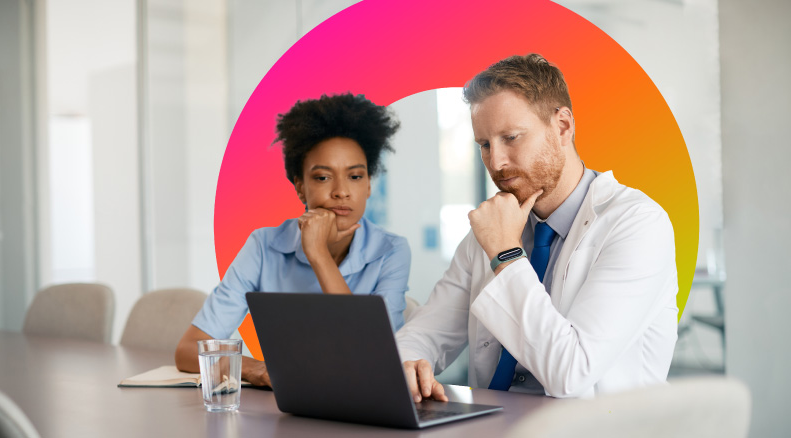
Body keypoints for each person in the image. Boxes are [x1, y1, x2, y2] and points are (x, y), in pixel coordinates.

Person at [396, 54, 678, 401]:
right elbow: (426, 331)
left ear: (562, 127)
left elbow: (570, 375)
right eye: (484, 145)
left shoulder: (637, 224)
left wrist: (505, 254)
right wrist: (409, 360)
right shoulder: (490, 230)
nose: (496, 162)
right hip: (493, 425)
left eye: (511, 137)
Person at [175, 93, 411, 387]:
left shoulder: (391, 250)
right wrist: (255, 369)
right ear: (300, 187)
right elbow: (189, 350)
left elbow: (370, 355)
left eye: (355, 176)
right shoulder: (264, 246)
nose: (341, 192)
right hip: (287, 409)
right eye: (323, 178)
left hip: (368, 401)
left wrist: (319, 255)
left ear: (368, 186)